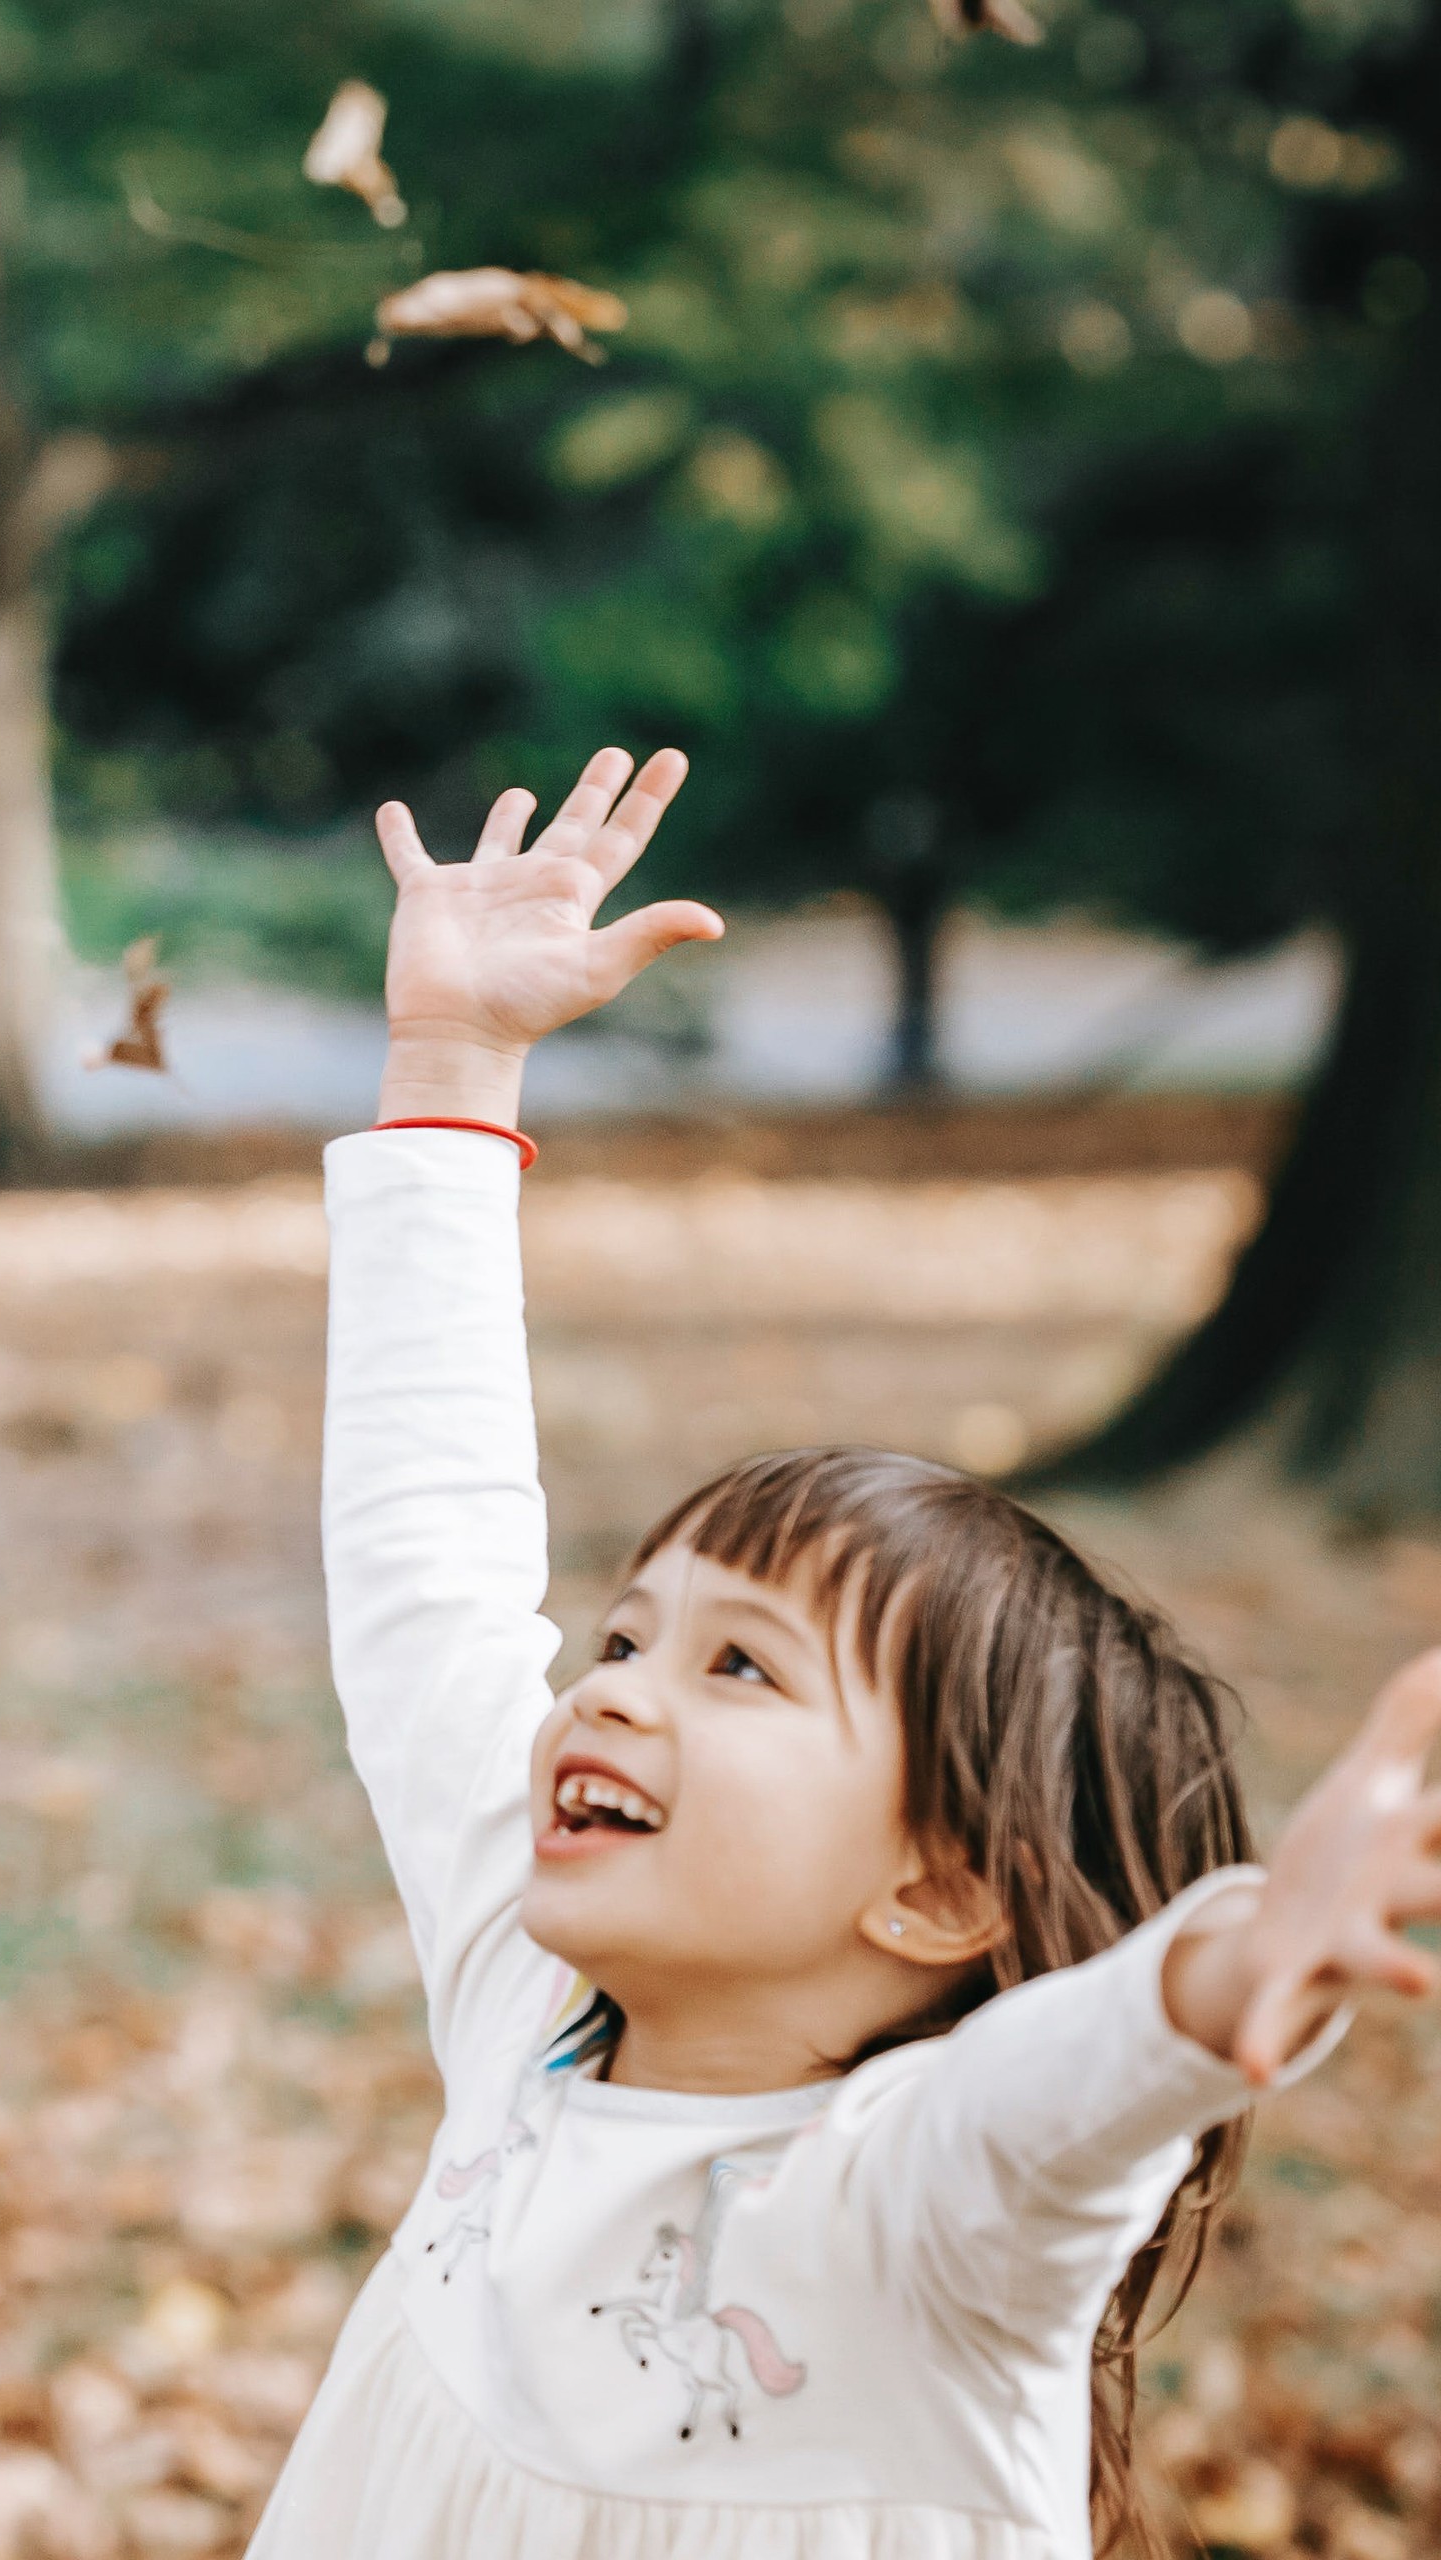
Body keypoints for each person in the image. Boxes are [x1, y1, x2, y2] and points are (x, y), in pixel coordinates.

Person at [253, 747, 1441, 2558]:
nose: (618, 1684)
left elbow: (1083, 2087)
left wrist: (1245, 1960)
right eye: (635, 1629)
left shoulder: (927, 2215)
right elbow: (431, 1564)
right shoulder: (529, 2005)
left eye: (740, 1670)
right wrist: (452, 1071)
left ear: (944, 1887)